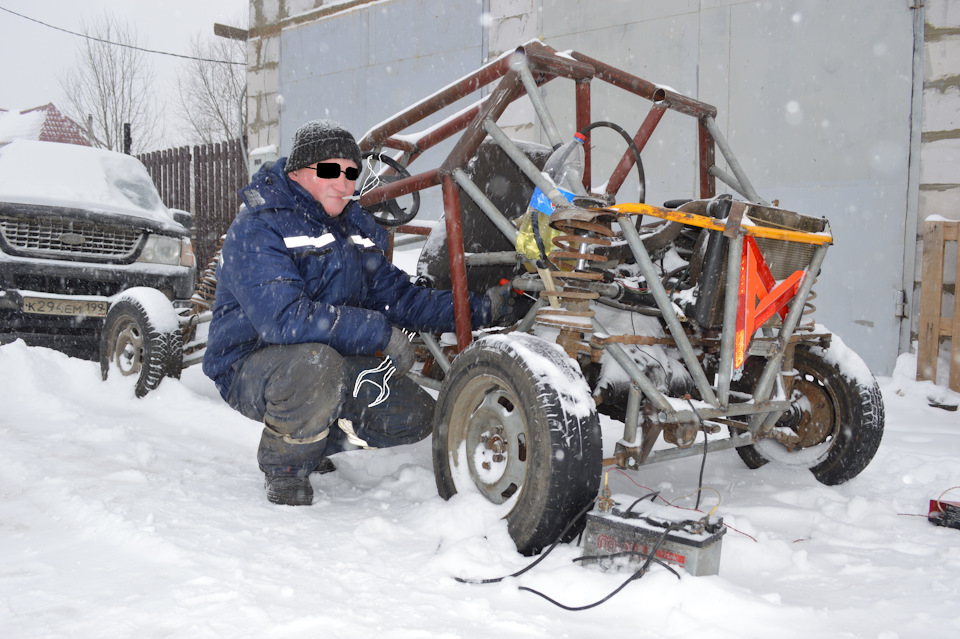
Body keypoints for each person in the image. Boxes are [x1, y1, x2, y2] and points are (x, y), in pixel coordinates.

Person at [203, 120, 517, 506]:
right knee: (316, 370)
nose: (344, 183)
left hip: (322, 357)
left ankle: (314, 440)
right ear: (298, 172)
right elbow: (283, 319)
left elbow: (400, 299)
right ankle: (283, 465)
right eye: (330, 171)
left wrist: (482, 309)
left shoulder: (349, 227)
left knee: (416, 416)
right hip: (248, 364)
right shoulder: (258, 225)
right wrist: (378, 333)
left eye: (351, 172)